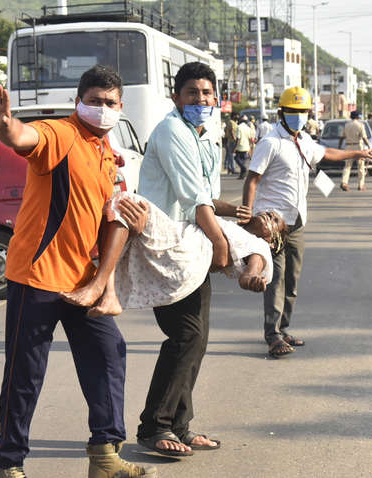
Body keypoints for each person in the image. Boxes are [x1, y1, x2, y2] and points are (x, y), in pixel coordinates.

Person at [0, 65, 156, 478]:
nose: (102, 109)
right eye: (94, 101)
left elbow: (108, 219)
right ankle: (8, 465)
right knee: (25, 375)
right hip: (36, 277)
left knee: (108, 355)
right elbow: (24, 137)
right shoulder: (62, 134)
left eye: (110, 103)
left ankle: (105, 455)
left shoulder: (106, 153)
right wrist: (3, 122)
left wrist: (104, 284)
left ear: (121, 106)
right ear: (79, 101)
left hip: (82, 281)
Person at [135, 61, 244, 457]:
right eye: (193, 93)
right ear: (176, 97)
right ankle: (155, 426)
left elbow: (207, 196)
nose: (201, 99)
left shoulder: (204, 135)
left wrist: (232, 215)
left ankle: (179, 426)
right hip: (166, 246)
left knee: (196, 339)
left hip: (190, 243)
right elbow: (192, 196)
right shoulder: (171, 131)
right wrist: (220, 241)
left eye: (207, 93)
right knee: (185, 335)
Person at [242, 86, 372, 358]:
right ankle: (273, 334)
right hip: (273, 224)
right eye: (293, 111)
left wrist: (357, 154)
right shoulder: (271, 142)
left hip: (297, 222)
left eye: (302, 111)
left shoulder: (303, 140)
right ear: (281, 113)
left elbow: (326, 153)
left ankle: (284, 327)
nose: (298, 116)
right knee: (276, 277)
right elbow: (252, 179)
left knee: (292, 279)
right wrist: (248, 213)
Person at [60, 191, 283, 316]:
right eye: (269, 212)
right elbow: (203, 201)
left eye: (275, 221)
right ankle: (105, 293)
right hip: (182, 261)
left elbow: (250, 270)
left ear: (272, 241)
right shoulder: (233, 228)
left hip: (186, 253)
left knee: (126, 202)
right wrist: (233, 210)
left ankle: (103, 289)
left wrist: (251, 278)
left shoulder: (259, 247)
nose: (268, 216)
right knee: (120, 231)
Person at [338, 110, 371, 191]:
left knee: (347, 166)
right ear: (357, 117)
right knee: (360, 167)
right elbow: (364, 137)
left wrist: (339, 147)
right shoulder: (360, 125)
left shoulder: (346, 125)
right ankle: (361, 185)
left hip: (348, 147)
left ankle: (344, 182)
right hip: (358, 147)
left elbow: (342, 137)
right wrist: (369, 146)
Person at [235, 114, 254, 178]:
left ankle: (244, 169)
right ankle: (242, 175)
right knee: (243, 161)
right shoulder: (248, 128)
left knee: (237, 159)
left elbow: (238, 138)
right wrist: (251, 147)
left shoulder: (239, 127)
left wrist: (235, 148)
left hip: (240, 147)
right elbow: (250, 139)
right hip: (246, 147)